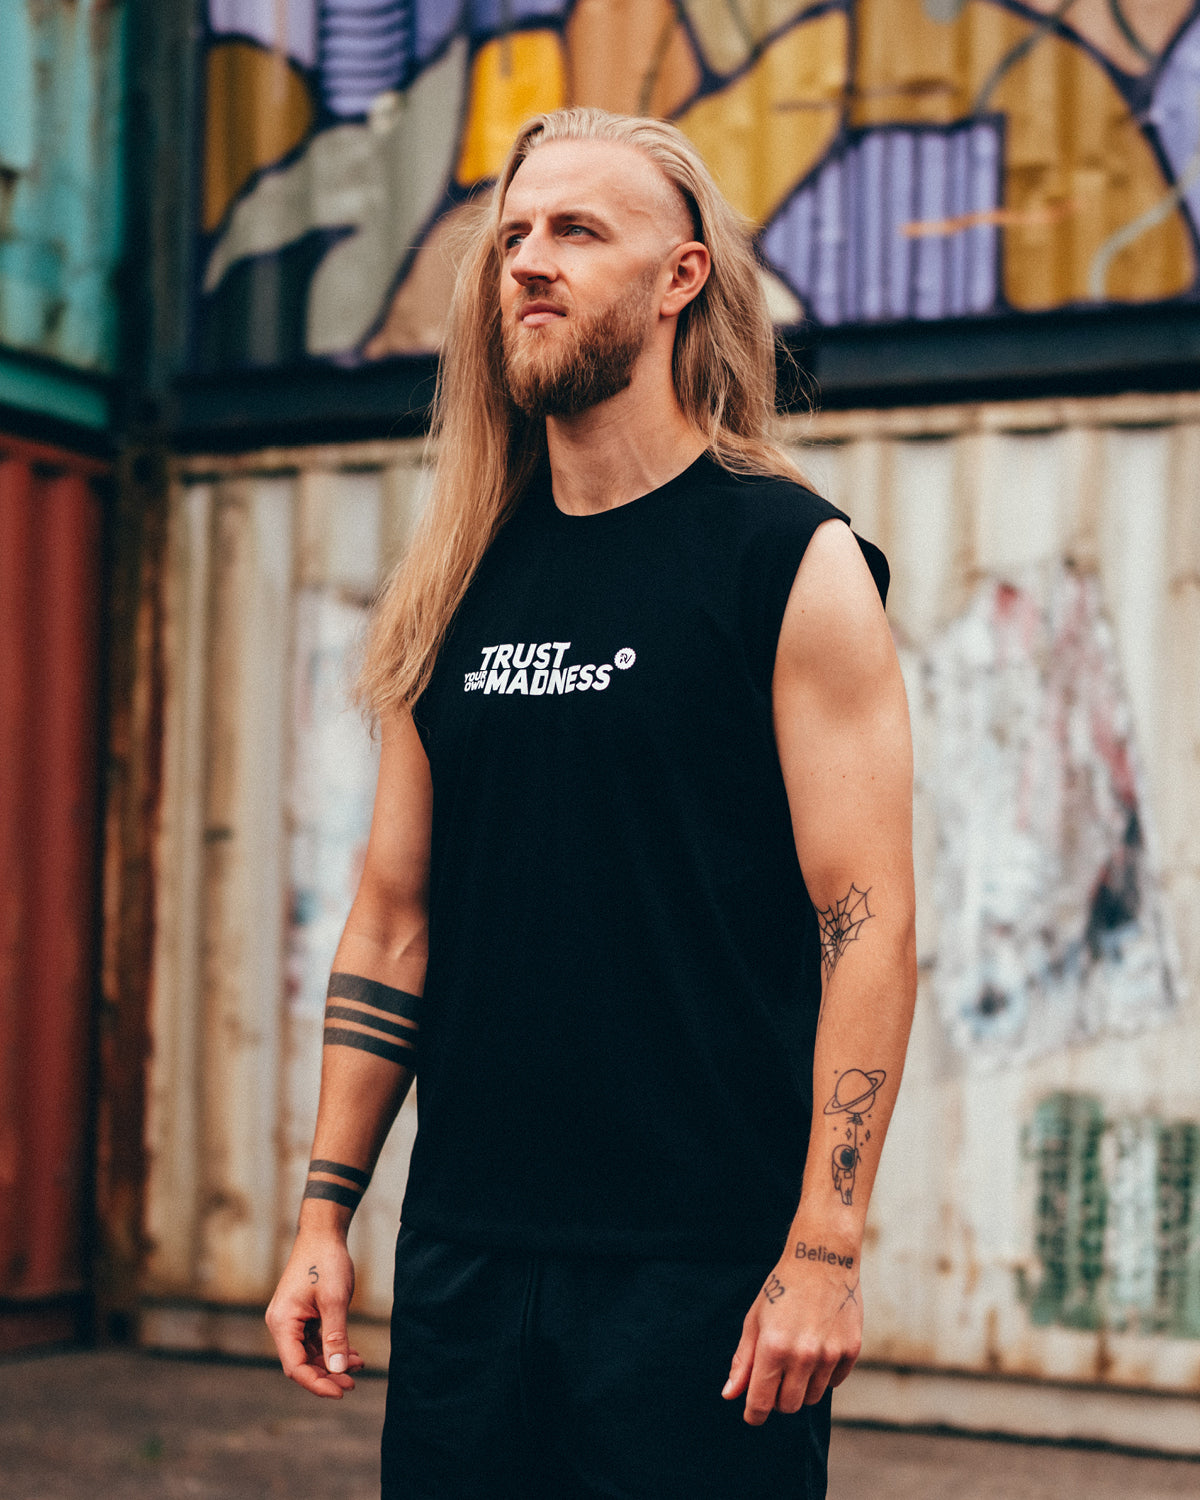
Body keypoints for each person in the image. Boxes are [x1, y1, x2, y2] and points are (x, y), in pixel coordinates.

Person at [265, 107, 916, 1500]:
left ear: (681, 278)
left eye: (575, 231)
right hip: (467, 1268)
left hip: (699, 1283)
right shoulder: (457, 581)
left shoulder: (787, 560)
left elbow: (867, 924)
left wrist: (826, 1245)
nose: (527, 263)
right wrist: (325, 1216)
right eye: (514, 235)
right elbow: (392, 923)